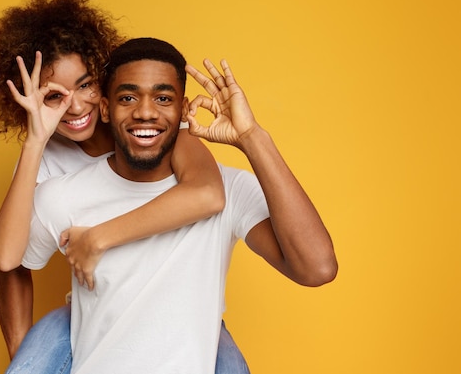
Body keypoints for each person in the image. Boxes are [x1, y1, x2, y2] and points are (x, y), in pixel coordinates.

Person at [0, 0, 252, 373]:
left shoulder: (158, 132)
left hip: (181, 313)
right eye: (54, 96)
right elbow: (9, 261)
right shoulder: (48, 159)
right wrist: (29, 358)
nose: (76, 106)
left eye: (85, 85)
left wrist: (99, 236)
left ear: (105, 86)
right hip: (95, 314)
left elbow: (206, 194)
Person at [20, 37, 338, 374]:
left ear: (183, 110)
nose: (145, 111)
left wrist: (252, 136)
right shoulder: (61, 196)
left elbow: (316, 268)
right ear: (104, 109)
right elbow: (12, 264)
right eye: (128, 98)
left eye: (163, 98)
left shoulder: (229, 190)